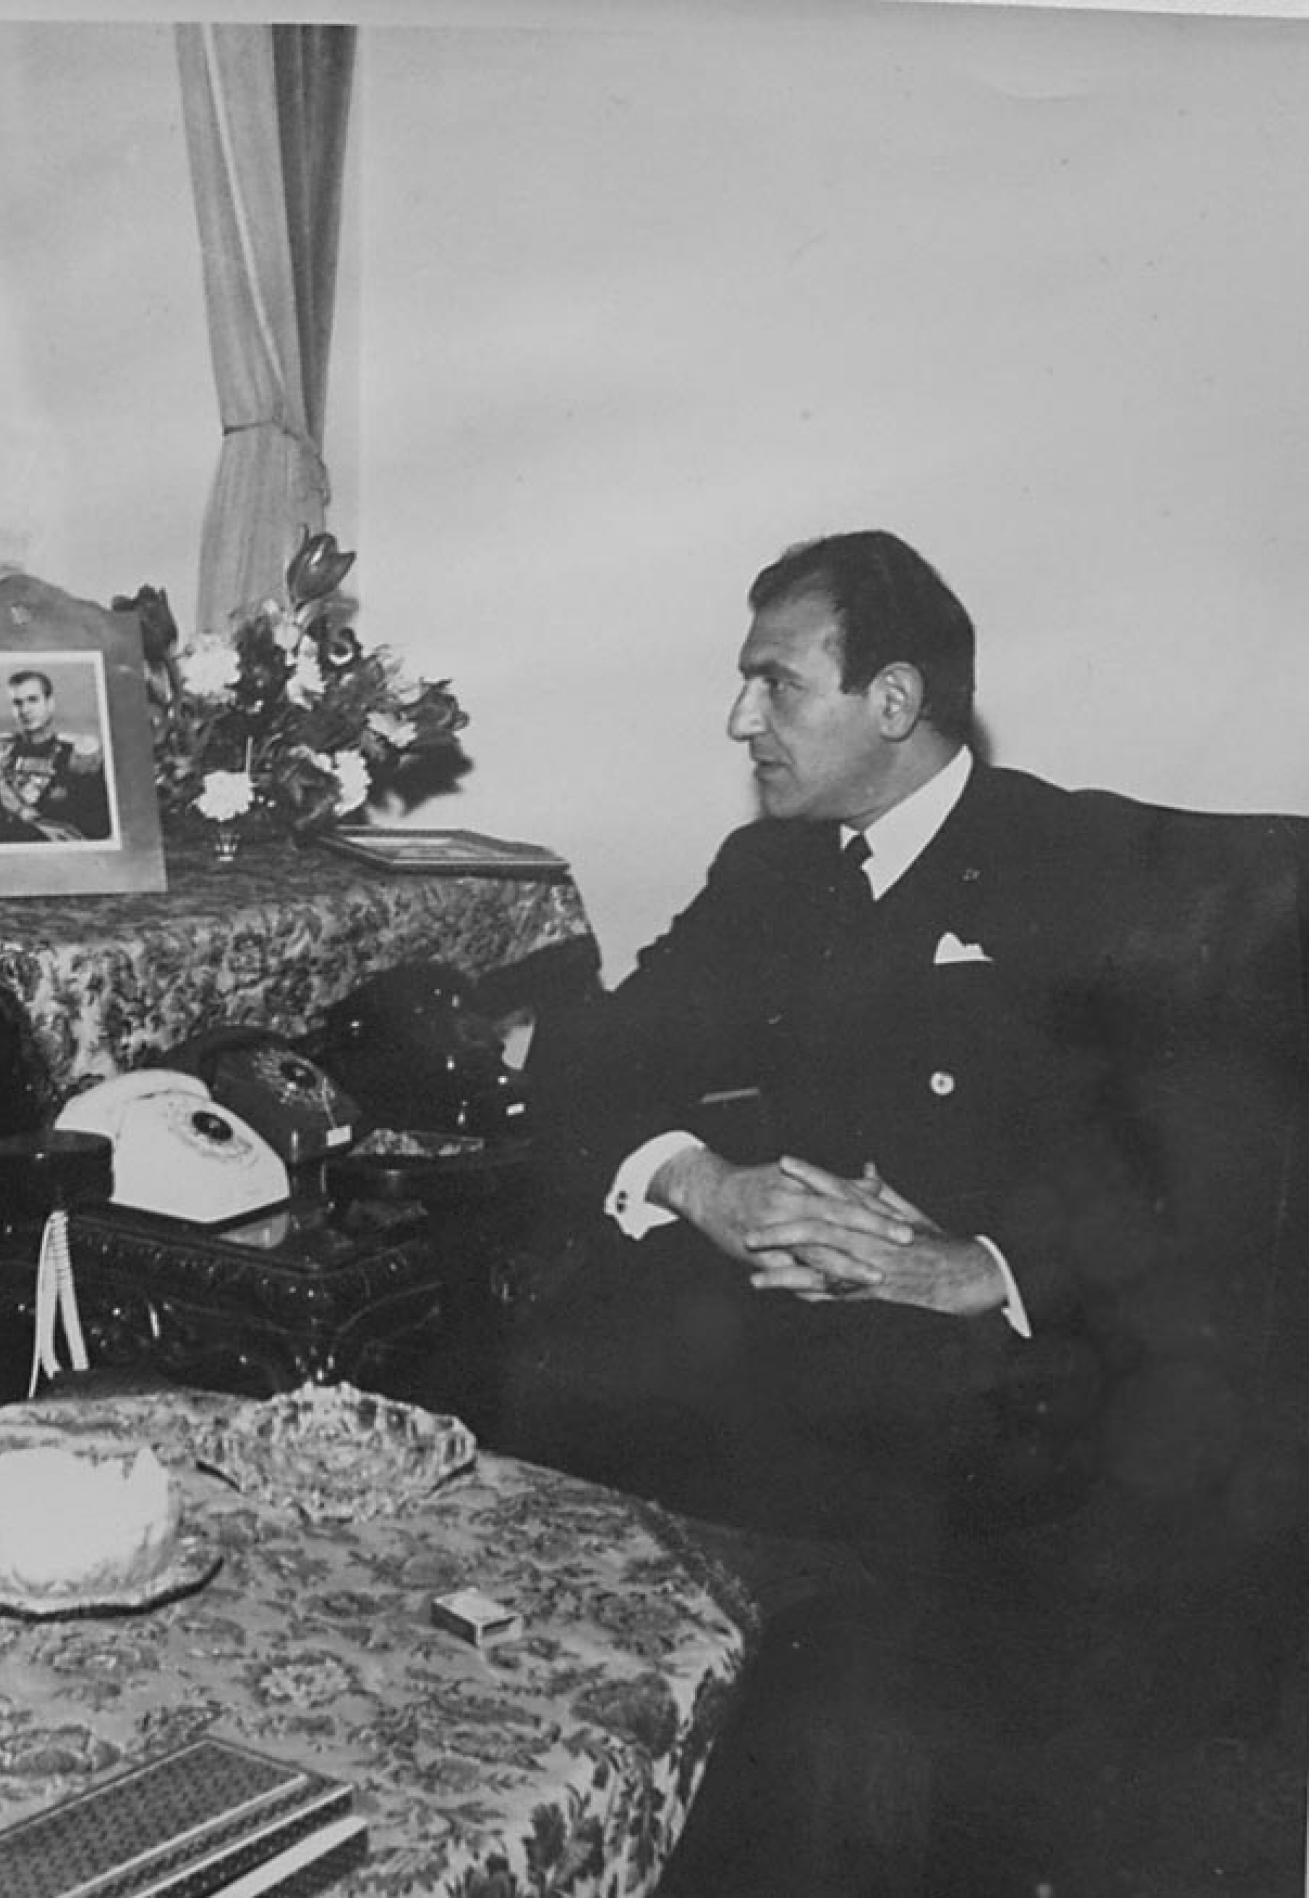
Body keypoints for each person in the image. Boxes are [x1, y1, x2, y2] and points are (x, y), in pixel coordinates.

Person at [466, 530, 1174, 1894]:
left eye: (774, 685)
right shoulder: (774, 868)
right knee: (522, 1408)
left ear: (893, 702)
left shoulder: (1080, 866)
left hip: (978, 1383)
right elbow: (603, 1055)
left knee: (849, 1725)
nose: (742, 721)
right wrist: (698, 1178)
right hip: (764, 1345)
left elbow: (1192, 1148)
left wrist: (985, 1265)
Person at [0, 668, 112, 843]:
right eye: (17, 703)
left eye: (33, 700)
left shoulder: (77, 755)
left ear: (50, 703)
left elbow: (98, 827)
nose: (25, 710)